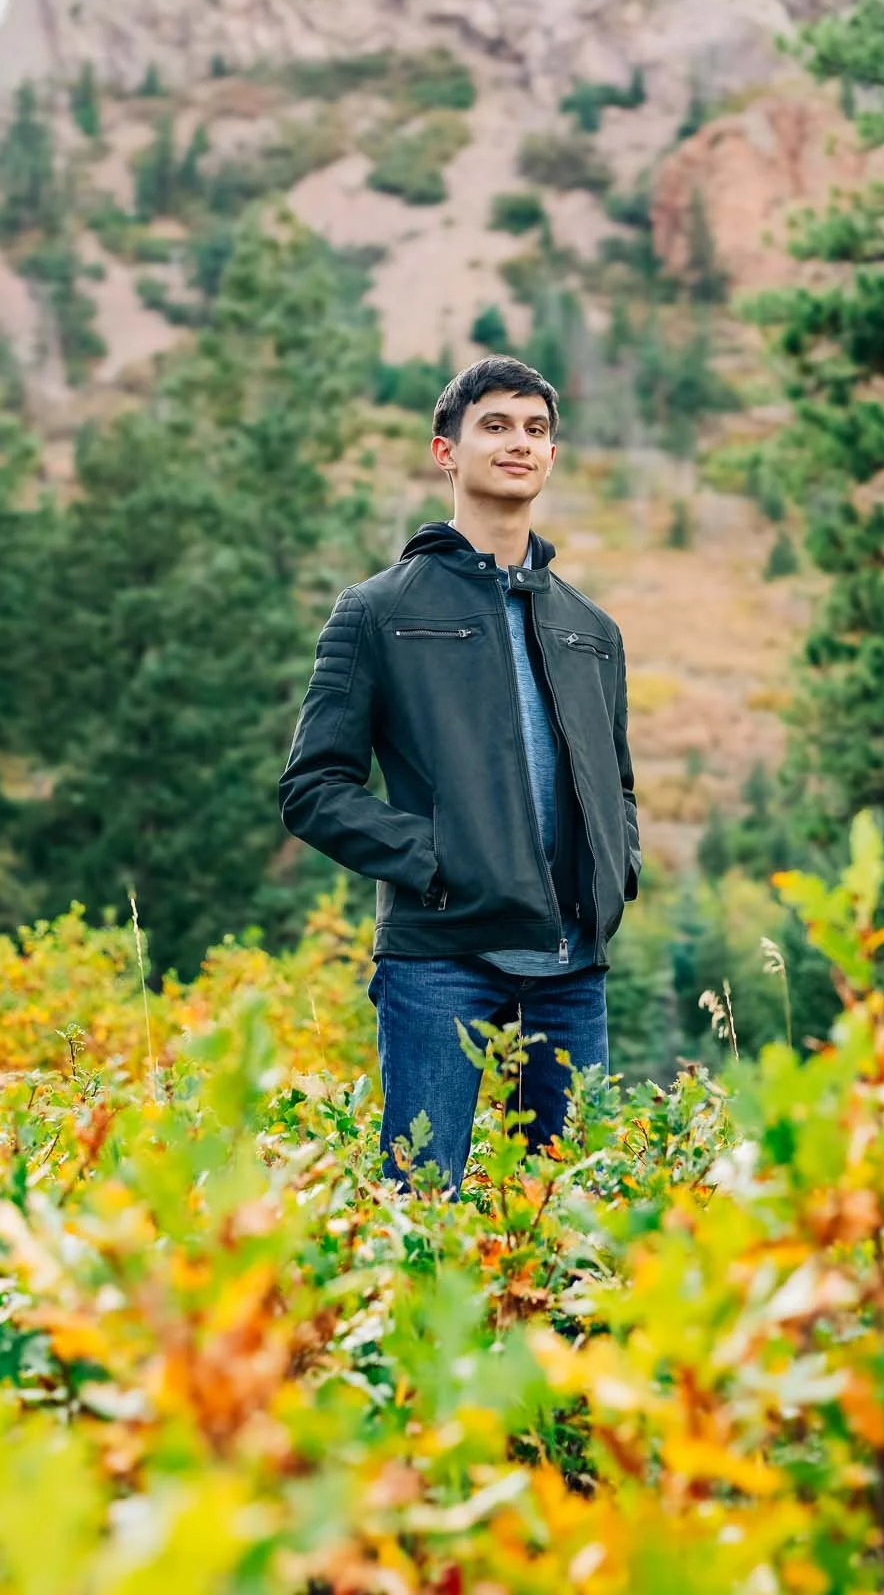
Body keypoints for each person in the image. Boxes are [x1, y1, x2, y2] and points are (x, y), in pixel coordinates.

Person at [279, 355, 640, 1191]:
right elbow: (313, 788)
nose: (520, 443)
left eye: (537, 429)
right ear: (446, 450)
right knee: (422, 1204)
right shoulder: (378, 612)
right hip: (440, 959)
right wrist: (439, 860)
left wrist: (619, 868)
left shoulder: (592, 628)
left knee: (570, 1211)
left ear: (551, 456)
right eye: (497, 425)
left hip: (571, 968)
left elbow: (615, 783)